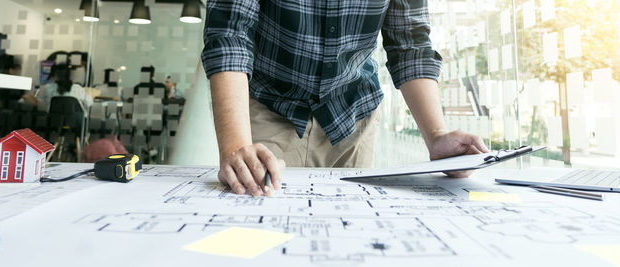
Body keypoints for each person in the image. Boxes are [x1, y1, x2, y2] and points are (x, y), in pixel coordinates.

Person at [202, 0, 489, 197]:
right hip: (270, 105)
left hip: (352, 112)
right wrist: (236, 147)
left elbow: (410, 43)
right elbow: (230, 33)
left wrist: (437, 135)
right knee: (254, 214)